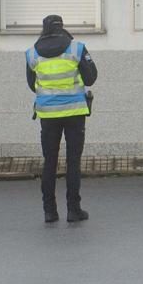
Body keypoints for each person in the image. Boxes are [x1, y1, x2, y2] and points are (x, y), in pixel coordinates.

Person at [26, 14, 97, 223]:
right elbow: (91, 77)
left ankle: (49, 211)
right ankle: (74, 210)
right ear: (62, 27)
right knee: (73, 162)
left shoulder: (32, 53)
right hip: (75, 112)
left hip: (48, 115)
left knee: (50, 162)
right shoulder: (76, 48)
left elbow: (31, 84)